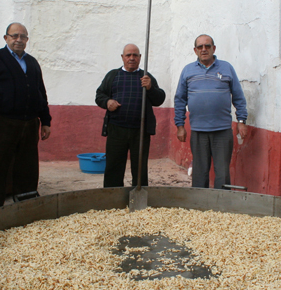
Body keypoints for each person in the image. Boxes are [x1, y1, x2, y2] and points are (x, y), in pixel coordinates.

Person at [0, 22, 52, 212]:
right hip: (3, 123)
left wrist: (46, 121)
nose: (19, 40)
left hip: (30, 123)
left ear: (27, 40)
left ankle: (26, 208)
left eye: (23, 36)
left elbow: (40, 93)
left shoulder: (32, 62)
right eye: (14, 36)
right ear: (6, 38)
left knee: (28, 168)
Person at [174, 34, 248, 189]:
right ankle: (199, 206)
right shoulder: (188, 71)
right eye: (200, 47)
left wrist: (241, 121)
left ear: (214, 48)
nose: (204, 49)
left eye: (207, 46)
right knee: (200, 173)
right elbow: (180, 99)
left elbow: (238, 96)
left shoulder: (226, 68)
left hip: (222, 131)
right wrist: (180, 126)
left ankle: (221, 207)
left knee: (222, 172)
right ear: (195, 50)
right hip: (198, 131)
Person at [95, 44, 166, 187]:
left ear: (140, 58)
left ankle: (139, 196)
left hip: (140, 131)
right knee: (114, 166)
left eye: (135, 55)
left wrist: (150, 88)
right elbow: (99, 95)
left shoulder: (146, 77)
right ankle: (112, 199)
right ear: (122, 57)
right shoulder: (113, 75)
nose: (132, 58)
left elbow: (159, 99)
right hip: (116, 130)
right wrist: (107, 101)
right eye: (128, 55)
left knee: (140, 168)